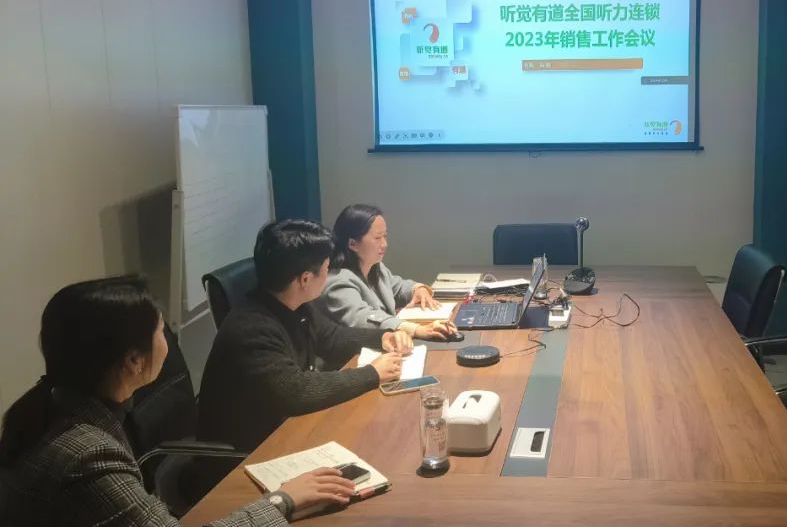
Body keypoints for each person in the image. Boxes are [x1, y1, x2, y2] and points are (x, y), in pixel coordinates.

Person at [0, 276, 357, 526]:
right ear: (133, 361)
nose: (167, 338)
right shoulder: (88, 456)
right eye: (161, 329)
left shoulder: (54, 403)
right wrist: (283, 500)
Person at [198, 219, 407, 458]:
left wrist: (383, 337)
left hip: (287, 428)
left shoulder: (293, 303)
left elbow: (331, 338)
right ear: (305, 279)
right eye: (326, 268)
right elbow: (296, 392)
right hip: (251, 452)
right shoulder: (251, 329)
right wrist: (372, 374)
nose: (328, 275)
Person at [322, 204, 457, 340]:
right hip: (360, 351)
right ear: (353, 244)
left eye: (385, 236)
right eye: (377, 238)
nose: (384, 244)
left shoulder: (375, 267)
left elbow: (398, 287)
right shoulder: (338, 281)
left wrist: (418, 289)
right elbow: (361, 318)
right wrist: (416, 329)